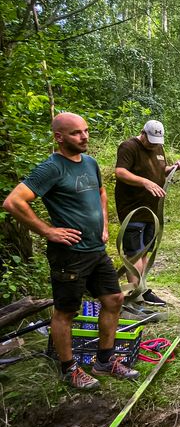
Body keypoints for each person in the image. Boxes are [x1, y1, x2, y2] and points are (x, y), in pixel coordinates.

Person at [3, 113, 134, 390]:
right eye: (76, 133)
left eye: (86, 131)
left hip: (96, 249)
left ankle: (104, 360)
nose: (84, 136)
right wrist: (48, 231)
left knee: (114, 299)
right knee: (66, 311)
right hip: (70, 254)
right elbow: (14, 201)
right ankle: (68, 369)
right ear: (59, 137)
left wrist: (105, 225)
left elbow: (100, 192)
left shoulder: (90, 162)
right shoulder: (51, 168)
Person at [114, 120, 180, 306]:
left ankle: (142, 289)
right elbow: (120, 172)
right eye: (151, 140)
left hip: (152, 211)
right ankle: (136, 294)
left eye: (157, 141)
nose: (154, 144)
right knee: (134, 254)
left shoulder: (157, 146)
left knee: (145, 251)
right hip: (133, 209)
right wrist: (145, 182)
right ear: (143, 133)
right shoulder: (129, 147)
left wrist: (173, 168)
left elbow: (160, 170)